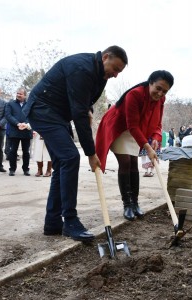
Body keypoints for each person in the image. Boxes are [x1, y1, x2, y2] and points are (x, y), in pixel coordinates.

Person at [23, 45, 128, 242]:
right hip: (43, 109)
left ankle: (53, 222)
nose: (115, 75)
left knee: (63, 162)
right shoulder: (82, 67)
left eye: (119, 72)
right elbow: (78, 112)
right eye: (115, 69)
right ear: (105, 57)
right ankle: (70, 221)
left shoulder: (100, 75)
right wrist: (91, 153)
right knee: (70, 157)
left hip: (58, 113)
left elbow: (84, 101)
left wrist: (88, 109)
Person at [95, 70, 174, 221]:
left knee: (133, 165)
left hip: (137, 130)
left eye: (164, 91)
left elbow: (157, 123)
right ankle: (127, 205)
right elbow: (132, 126)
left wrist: (156, 137)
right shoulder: (135, 94)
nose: (160, 93)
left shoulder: (161, 100)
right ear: (150, 82)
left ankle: (135, 203)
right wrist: (148, 148)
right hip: (119, 128)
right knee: (125, 163)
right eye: (158, 88)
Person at [5, 88, 33, 176]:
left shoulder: (29, 104)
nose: (18, 95)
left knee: (26, 152)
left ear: (25, 95)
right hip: (14, 131)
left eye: (20, 94)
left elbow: (32, 116)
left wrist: (25, 124)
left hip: (26, 131)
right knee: (13, 151)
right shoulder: (10, 104)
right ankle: (12, 169)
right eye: (17, 93)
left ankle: (26, 169)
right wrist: (17, 124)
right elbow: (8, 115)